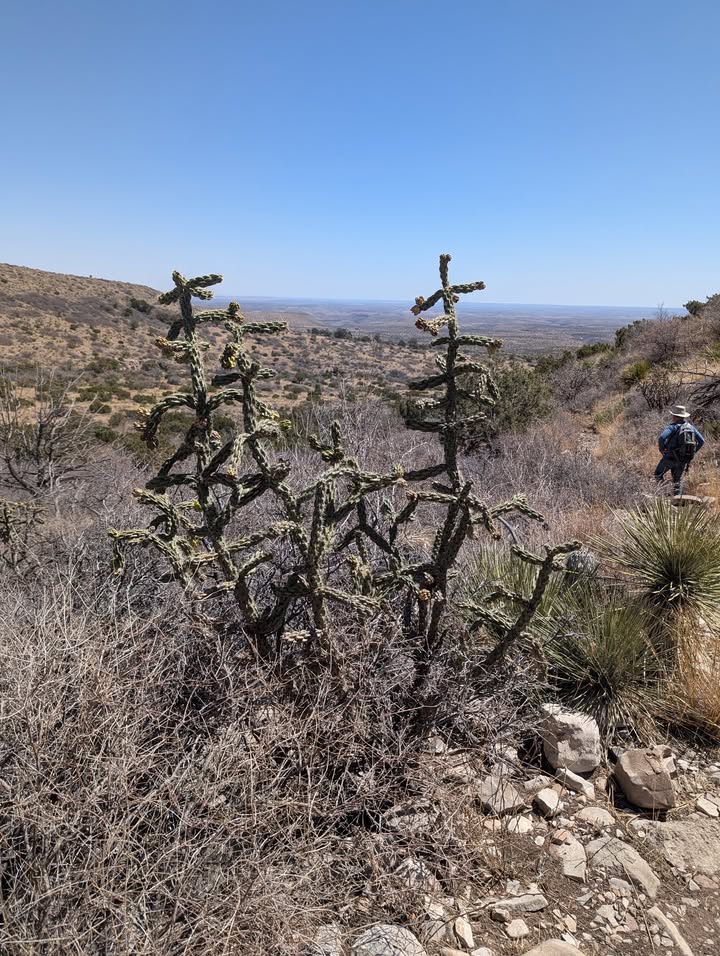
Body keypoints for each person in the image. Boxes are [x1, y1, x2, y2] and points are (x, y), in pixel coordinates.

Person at [654, 404, 704, 496]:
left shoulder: (673, 426)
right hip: (683, 459)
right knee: (677, 480)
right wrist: (692, 452)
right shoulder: (690, 427)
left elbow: (661, 438)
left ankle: (662, 495)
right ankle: (678, 502)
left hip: (670, 457)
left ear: (675, 416)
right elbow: (701, 441)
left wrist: (661, 449)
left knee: (658, 474)